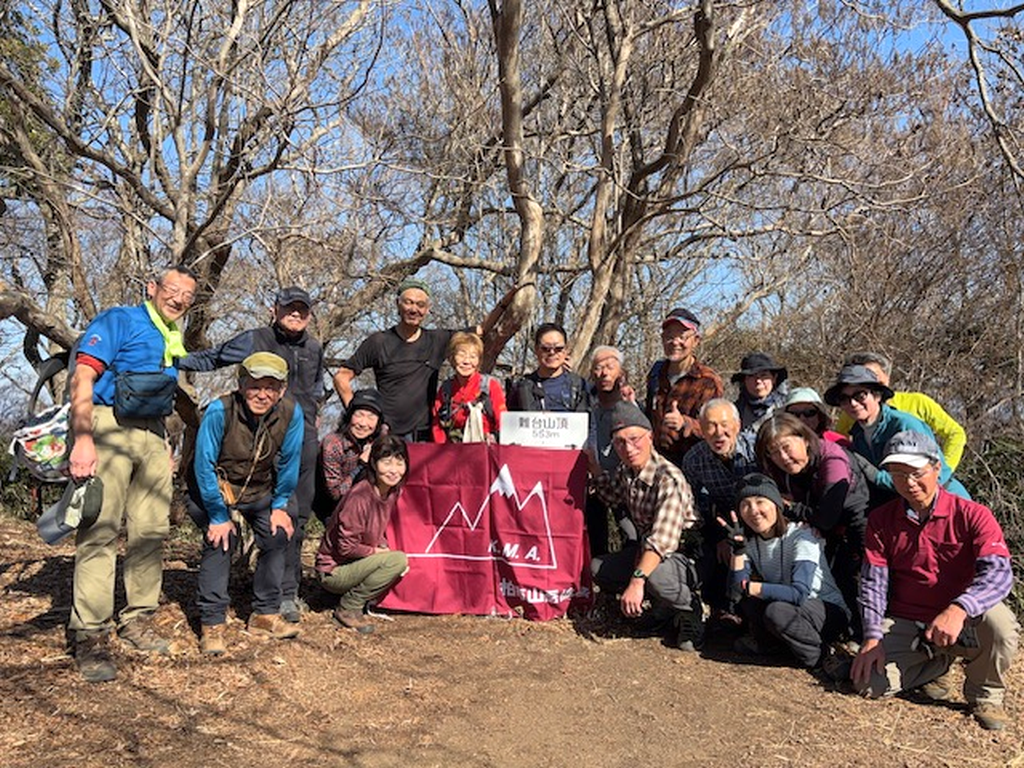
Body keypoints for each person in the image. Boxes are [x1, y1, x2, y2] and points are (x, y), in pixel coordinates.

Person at [66, 264, 198, 682]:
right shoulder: (119, 319)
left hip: (152, 436)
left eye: (187, 296)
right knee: (100, 528)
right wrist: (83, 439)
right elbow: (83, 377)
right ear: (152, 288)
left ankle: (137, 618)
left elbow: (162, 394)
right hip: (108, 427)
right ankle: (90, 633)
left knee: (151, 530)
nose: (178, 299)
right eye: (172, 290)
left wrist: (162, 443)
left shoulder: (171, 335)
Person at [851, 431, 1019, 731]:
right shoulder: (881, 519)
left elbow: (1000, 574)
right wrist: (873, 636)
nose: (909, 482)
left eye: (916, 473)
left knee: (1002, 626)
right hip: (909, 617)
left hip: (964, 617)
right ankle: (937, 664)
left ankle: (986, 695)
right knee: (867, 683)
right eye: (899, 474)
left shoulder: (973, 514)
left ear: (936, 468)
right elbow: (872, 582)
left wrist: (960, 608)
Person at [179, 286, 326, 624]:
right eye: (290, 308)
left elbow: (316, 388)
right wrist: (173, 362)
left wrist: (312, 415)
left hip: (296, 435)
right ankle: (219, 607)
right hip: (251, 437)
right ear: (275, 309)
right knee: (240, 514)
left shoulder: (315, 347)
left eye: (303, 310)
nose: (296, 314)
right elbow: (213, 358)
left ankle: (286, 593)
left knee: (293, 515)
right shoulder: (254, 339)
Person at [187, 353, 305, 654]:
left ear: (281, 390)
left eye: (271, 387)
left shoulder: (292, 413)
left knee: (277, 534)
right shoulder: (220, 410)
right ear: (241, 385)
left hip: (258, 490)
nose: (262, 394)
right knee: (223, 539)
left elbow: (291, 462)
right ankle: (212, 623)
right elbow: (203, 465)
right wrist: (217, 514)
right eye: (255, 386)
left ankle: (264, 614)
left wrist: (280, 506)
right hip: (213, 489)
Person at [590, 401, 703, 651]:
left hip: (681, 555)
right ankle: (662, 608)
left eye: (634, 438)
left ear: (650, 436)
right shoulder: (626, 470)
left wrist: (637, 581)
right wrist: (593, 467)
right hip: (647, 548)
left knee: (654, 576)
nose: (629, 448)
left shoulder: (668, 478)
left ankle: (690, 609)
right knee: (598, 569)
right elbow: (611, 496)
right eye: (620, 442)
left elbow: (662, 541)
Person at [719, 473, 850, 668]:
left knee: (775, 610)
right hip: (789, 608)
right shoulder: (748, 542)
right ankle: (774, 646)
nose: (753, 511)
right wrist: (738, 551)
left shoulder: (802, 536)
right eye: (745, 504)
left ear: (776, 505)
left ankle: (820, 656)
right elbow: (735, 594)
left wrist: (751, 587)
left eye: (760, 501)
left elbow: (799, 593)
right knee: (753, 604)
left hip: (824, 609)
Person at [754, 413, 869, 623]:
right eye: (774, 452)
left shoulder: (833, 460)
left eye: (787, 447)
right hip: (825, 527)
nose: (783, 458)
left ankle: (865, 636)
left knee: (856, 578)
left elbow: (825, 518)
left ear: (805, 439)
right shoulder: (780, 471)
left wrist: (790, 507)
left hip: (859, 521)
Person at [823, 364, 969, 504]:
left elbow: (933, 477)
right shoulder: (857, 434)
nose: (853, 403)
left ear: (877, 396)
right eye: (844, 399)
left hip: (943, 498)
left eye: (860, 395)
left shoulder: (904, 424)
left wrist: (877, 476)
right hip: (901, 507)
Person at [316, 435, 411, 634]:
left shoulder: (391, 491)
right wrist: (379, 553)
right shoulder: (360, 496)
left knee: (394, 557)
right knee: (397, 560)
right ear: (374, 464)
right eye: (387, 463)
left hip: (354, 563)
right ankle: (349, 607)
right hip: (334, 570)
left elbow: (376, 528)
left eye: (399, 463)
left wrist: (382, 546)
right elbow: (346, 547)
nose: (394, 470)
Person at [680, 399, 757, 626]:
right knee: (710, 551)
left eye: (724, 425)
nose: (719, 433)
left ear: (738, 425)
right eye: (711, 426)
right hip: (722, 521)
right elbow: (695, 505)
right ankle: (720, 610)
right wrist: (719, 537)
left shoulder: (757, 450)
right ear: (702, 430)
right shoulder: (694, 460)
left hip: (759, 520)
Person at [835, 351, 968, 471]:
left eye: (873, 378)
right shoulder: (853, 413)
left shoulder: (917, 403)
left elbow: (955, 433)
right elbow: (840, 444)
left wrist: (945, 469)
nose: (854, 401)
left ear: (887, 378)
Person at [644, 307, 723, 465]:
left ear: (696, 340)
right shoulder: (656, 374)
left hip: (692, 467)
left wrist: (685, 423)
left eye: (682, 337)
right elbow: (648, 415)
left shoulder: (707, 381)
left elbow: (716, 429)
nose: (675, 342)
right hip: (656, 463)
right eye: (669, 337)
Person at [585, 346, 634, 555]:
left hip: (626, 486)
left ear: (620, 373)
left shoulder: (631, 407)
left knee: (631, 537)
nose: (604, 373)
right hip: (594, 483)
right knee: (595, 539)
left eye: (610, 367)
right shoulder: (586, 407)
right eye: (598, 367)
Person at [314, 388, 387, 523]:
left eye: (371, 417)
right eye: (359, 415)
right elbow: (335, 493)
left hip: (367, 505)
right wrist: (361, 465)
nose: (363, 423)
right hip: (333, 509)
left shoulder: (379, 439)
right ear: (349, 416)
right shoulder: (333, 444)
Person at [432, 332, 507, 443]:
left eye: (473, 356)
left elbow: (502, 420)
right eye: (461, 355)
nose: (467, 361)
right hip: (454, 451)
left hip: (485, 448)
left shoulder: (489, 385)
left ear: (479, 361)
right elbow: (437, 425)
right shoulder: (446, 390)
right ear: (452, 358)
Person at [507, 322, 591, 412]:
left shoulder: (579, 386)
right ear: (536, 349)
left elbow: (589, 423)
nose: (552, 353)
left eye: (558, 349)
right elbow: (510, 423)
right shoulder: (522, 388)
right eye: (546, 348)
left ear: (566, 350)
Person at [732, 352, 789, 435]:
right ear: (744, 381)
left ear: (774, 378)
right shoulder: (734, 412)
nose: (758, 381)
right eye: (751, 376)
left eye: (763, 375)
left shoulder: (788, 407)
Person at [783, 387, 848, 446]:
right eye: (794, 414)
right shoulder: (776, 445)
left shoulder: (839, 443)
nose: (802, 418)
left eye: (809, 412)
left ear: (820, 416)